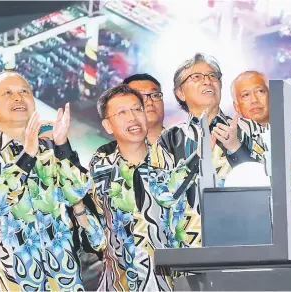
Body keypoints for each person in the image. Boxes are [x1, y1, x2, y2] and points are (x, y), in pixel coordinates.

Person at [0, 71, 106, 291]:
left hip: (63, 279)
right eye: (8, 93)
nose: (18, 97)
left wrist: (62, 145)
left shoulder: (51, 150)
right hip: (8, 282)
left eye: (25, 92)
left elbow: (79, 191)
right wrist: (27, 155)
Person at [86, 84, 199, 291]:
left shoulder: (173, 165)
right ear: (108, 125)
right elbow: (96, 233)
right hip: (119, 283)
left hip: (171, 283)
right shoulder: (100, 170)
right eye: (122, 112)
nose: (132, 117)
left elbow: (191, 226)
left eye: (137, 109)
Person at [152, 53, 267, 248]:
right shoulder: (169, 139)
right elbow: (162, 194)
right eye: (197, 77)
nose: (208, 81)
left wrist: (236, 149)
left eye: (213, 76)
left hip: (248, 244)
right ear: (180, 92)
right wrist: (197, 158)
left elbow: (269, 183)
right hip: (190, 250)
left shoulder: (251, 129)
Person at [123, 73, 165, 144]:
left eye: (155, 95)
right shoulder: (107, 153)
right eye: (140, 97)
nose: (149, 102)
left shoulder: (185, 143)